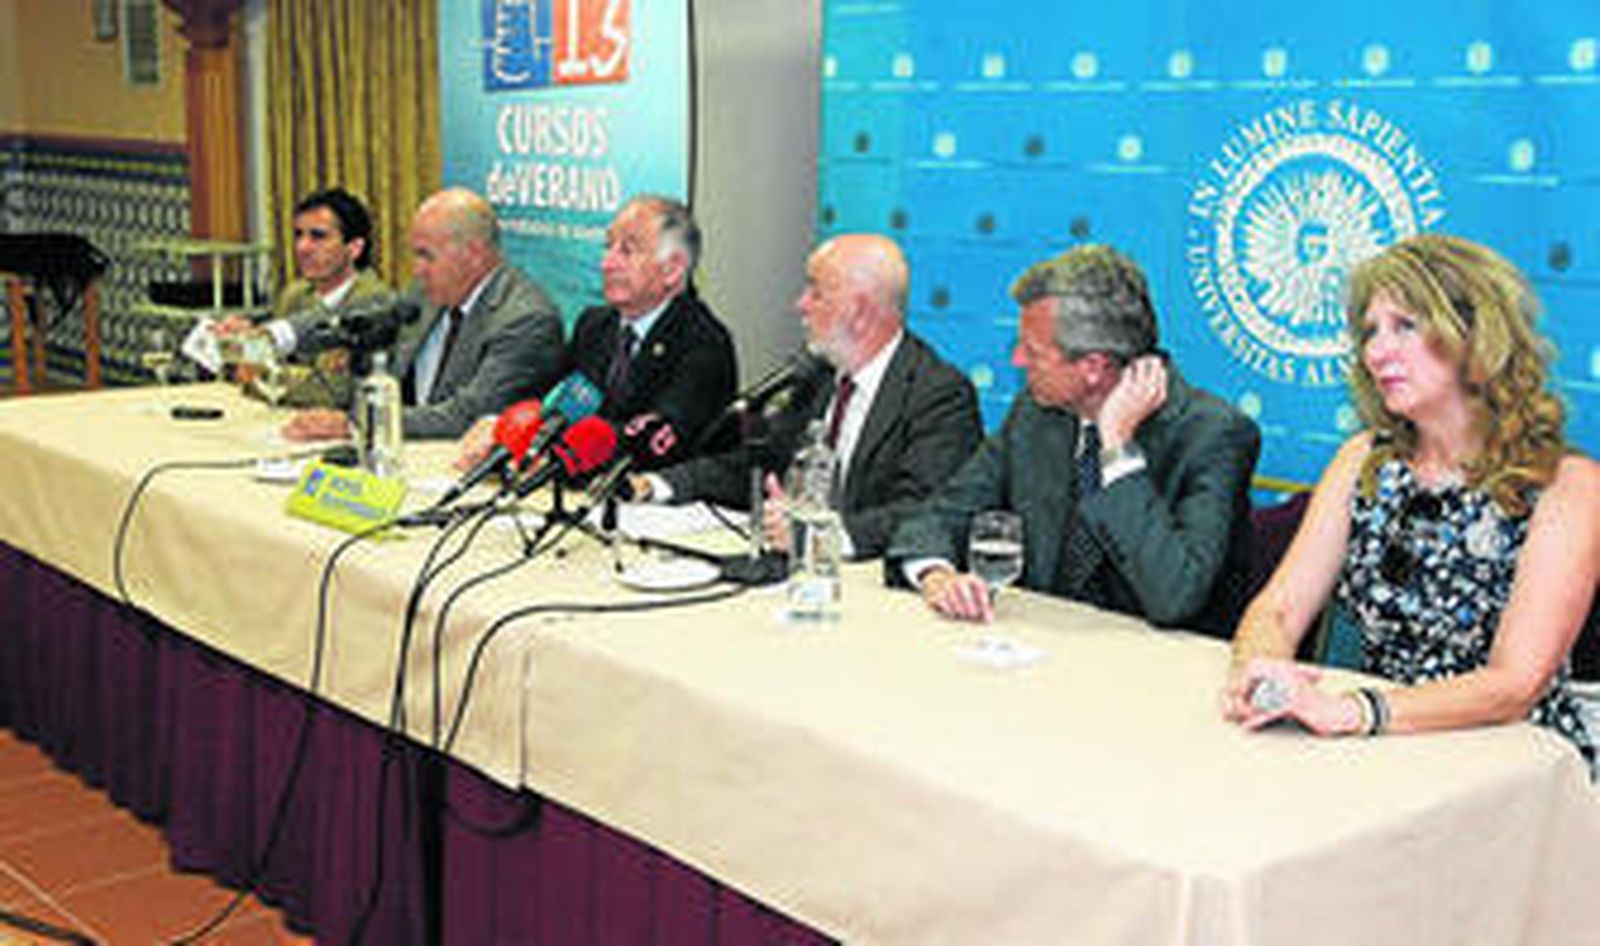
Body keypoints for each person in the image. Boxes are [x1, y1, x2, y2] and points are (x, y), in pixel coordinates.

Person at [1222, 234, 1598, 772]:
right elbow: (1277, 609)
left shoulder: (1565, 483)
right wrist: (1264, 675)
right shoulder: (1363, 460)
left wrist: (1357, 712)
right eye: (1370, 331)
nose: (1376, 352)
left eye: (1405, 326)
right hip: (1381, 749)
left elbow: (1515, 683)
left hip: (1513, 764)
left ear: (1475, 337)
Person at [886, 244, 1260, 634]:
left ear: (1093, 367)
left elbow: (1174, 597)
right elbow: (938, 516)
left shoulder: (1213, 435)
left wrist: (1117, 451)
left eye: (1032, 352)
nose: (1017, 360)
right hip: (1039, 646)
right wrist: (937, 575)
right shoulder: (1036, 414)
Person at [631, 233, 982, 560]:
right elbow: (761, 463)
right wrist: (657, 484)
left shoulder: (939, 396)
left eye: (815, 292)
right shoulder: (820, 378)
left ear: (859, 312)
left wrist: (820, 535)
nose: (800, 304)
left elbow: (927, 511)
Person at [454, 194, 736, 471]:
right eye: (608, 247)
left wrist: (557, 453)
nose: (607, 263)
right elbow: (552, 400)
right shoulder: (595, 326)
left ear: (672, 270)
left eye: (627, 251)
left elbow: (653, 441)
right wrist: (504, 426)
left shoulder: (704, 344)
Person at [282, 187, 563, 440]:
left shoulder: (526, 321)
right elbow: (361, 316)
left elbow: (466, 416)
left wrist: (357, 423)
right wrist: (281, 335)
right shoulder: (429, 291)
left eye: (426, 255)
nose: (418, 269)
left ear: (473, 254)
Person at [215, 187, 394, 406]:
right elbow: (265, 357)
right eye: (299, 235)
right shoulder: (295, 295)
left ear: (354, 248)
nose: (303, 247)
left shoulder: (373, 303)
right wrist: (241, 342)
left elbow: (334, 391)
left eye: (318, 237)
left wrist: (258, 371)